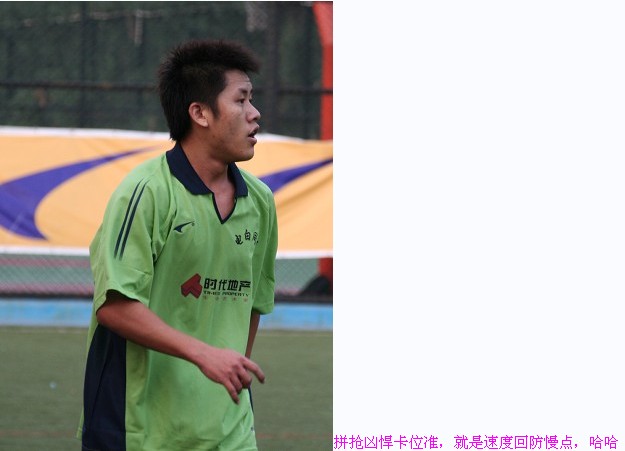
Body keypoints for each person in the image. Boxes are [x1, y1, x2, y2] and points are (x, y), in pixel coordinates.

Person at [77, 39, 278, 450]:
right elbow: (114, 306)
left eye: (252, 99)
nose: (254, 113)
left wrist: (227, 373)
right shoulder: (146, 192)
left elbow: (252, 306)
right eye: (241, 100)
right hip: (139, 430)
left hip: (230, 432)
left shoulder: (260, 202)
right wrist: (204, 354)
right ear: (200, 113)